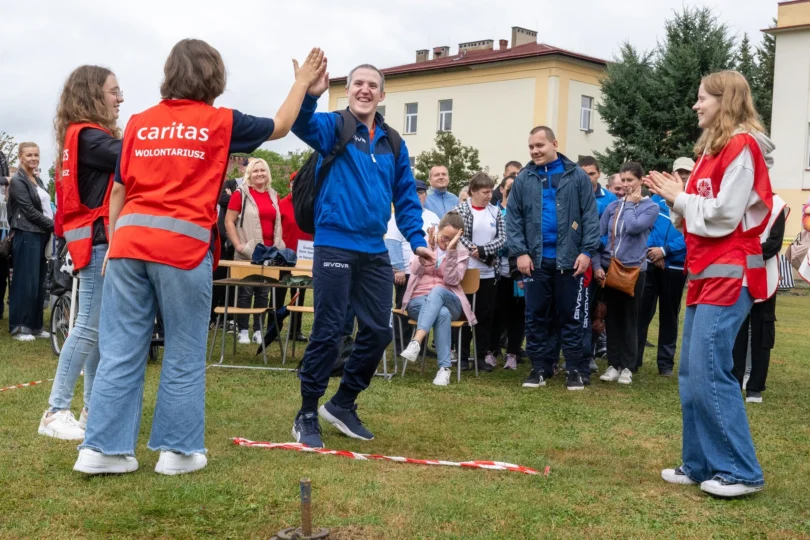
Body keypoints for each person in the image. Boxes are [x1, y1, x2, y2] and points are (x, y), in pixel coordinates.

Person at [74, 39, 327, 476]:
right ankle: (177, 452)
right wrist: (302, 82)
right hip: (182, 248)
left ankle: (101, 450)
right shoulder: (220, 121)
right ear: (215, 77)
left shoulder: (138, 123)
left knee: (120, 350)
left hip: (128, 245)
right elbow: (282, 124)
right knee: (184, 351)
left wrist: (114, 243)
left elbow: (118, 190)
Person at [290, 63, 433, 449]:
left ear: (382, 95)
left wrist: (417, 239)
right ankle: (307, 412)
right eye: (358, 84)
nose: (365, 90)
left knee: (379, 331)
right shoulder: (333, 126)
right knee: (329, 330)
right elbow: (299, 123)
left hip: (374, 249)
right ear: (349, 90)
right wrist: (310, 94)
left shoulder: (393, 142)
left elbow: (406, 197)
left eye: (372, 85)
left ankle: (342, 403)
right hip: (334, 243)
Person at [649, 70, 772, 498]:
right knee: (691, 373)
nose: (696, 105)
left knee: (710, 372)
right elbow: (697, 214)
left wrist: (681, 198)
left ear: (726, 100)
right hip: (706, 273)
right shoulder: (711, 150)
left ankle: (740, 471)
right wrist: (677, 198)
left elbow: (724, 213)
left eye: (703, 98)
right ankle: (700, 463)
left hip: (730, 272)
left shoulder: (741, 145)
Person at [36, 66, 124, 440]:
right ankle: (55, 411)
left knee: (97, 328)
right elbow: (138, 156)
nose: (120, 99)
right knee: (87, 325)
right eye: (114, 92)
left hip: (94, 240)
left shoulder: (79, 136)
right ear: (92, 94)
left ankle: (92, 408)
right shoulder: (91, 138)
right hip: (98, 241)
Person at [506, 126, 599, 390]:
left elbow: (590, 216)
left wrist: (586, 251)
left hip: (570, 261)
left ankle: (574, 369)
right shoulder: (523, 179)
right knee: (535, 317)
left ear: (554, 144)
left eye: (540, 145)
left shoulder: (577, 176)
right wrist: (520, 253)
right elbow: (513, 219)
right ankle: (539, 368)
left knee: (571, 317)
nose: (535, 151)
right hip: (535, 262)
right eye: (531, 147)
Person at [594, 162, 657, 385]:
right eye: (623, 180)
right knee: (612, 318)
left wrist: (629, 205)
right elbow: (598, 237)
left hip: (634, 271)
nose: (626, 184)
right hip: (611, 268)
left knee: (630, 319)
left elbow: (633, 227)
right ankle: (613, 364)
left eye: (630, 180)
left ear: (640, 181)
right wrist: (597, 265)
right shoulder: (612, 207)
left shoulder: (650, 207)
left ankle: (628, 367)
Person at [400, 212, 474, 385]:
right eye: (445, 237)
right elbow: (415, 270)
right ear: (438, 230)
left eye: (452, 239)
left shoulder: (462, 252)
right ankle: (444, 369)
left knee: (439, 290)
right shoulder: (423, 244)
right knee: (442, 313)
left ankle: (416, 341)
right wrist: (428, 249)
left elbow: (452, 281)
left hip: (450, 299)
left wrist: (451, 253)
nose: (447, 242)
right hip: (419, 301)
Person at [636, 158, 690, 377]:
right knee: (642, 313)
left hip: (675, 267)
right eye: (680, 172)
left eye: (687, 172)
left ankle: (665, 364)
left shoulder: (693, 201)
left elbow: (691, 235)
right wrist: (653, 251)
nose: (683, 176)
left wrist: (665, 251)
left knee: (669, 316)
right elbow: (645, 227)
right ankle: (634, 359)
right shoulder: (656, 199)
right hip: (651, 264)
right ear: (673, 173)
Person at [731, 195, 787, 403]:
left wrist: (749, 256)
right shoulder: (738, 196)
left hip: (765, 273)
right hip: (739, 273)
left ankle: (755, 386)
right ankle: (734, 382)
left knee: (762, 331)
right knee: (737, 330)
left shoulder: (777, 205)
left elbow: (774, 244)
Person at [224, 157, 285, 345]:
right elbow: (229, 221)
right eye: (255, 170)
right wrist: (238, 245)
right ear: (249, 174)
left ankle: (258, 329)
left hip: (269, 252)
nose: (259, 174)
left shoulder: (274, 195)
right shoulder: (240, 194)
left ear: (268, 174)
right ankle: (243, 330)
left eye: (262, 170)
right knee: (245, 292)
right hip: (248, 251)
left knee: (263, 292)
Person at [454, 172, 505, 372]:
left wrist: (484, 251)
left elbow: (502, 238)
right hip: (466, 270)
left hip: (489, 273)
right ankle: (462, 355)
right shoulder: (459, 210)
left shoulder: (495, 212)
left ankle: (481, 355)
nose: (489, 196)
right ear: (473, 191)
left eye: (491, 191)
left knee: (484, 315)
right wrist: (475, 250)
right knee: (464, 315)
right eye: (485, 192)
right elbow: (457, 235)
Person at [386, 179, 440, 349]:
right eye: (413, 193)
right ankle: (401, 345)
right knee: (403, 308)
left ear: (425, 195)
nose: (417, 196)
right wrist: (398, 269)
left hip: (428, 273)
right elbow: (392, 243)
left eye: (421, 192)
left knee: (426, 307)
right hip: (406, 271)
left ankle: (420, 347)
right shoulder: (398, 215)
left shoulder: (433, 217)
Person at [8, 142, 53, 341]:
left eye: (36, 155)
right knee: (25, 281)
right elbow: (29, 211)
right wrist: (54, 226)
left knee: (39, 282)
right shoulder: (18, 181)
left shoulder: (38, 180)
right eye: (29, 155)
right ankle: (20, 326)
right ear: (20, 157)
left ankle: (35, 326)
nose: (33, 158)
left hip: (41, 234)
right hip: (26, 233)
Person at [578, 155, 618, 369]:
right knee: (579, 309)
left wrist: (592, 243)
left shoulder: (610, 199)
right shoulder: (572, 195)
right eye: (583, 174)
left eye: (592, 174)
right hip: (576, 261)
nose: (588, 178)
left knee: (598, 310)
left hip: (602, 262)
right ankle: (576, 354)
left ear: (599, 174)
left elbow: (612, 233)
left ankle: (590, 353)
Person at [488, 182, 524, 370]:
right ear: (505, 194)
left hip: (518, 273)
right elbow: (495, 242)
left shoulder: (525, 215)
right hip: (497, 272)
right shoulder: (494, 213)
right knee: (496, 313)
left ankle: (513, 353)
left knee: (517, 314)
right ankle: (492, 351)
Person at [278, 171, 314, 342]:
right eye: (295, 183)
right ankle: (274, 328)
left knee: (299, 294)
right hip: (284, 256)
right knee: (278, 293)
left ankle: (295, 330)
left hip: (304, 257)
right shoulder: (281, 205)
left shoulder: (309, 205)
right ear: (290, 185)